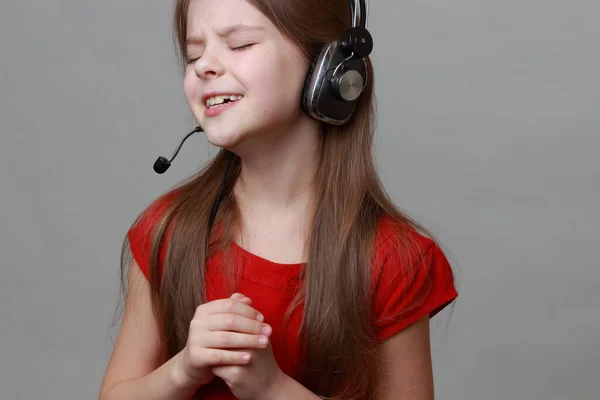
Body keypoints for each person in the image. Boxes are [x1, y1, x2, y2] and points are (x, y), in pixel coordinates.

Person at [99, 0, 458, 399]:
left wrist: (272, 389)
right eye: (193, 54)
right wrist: (182, 370)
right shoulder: (168, 230)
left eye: (239, 45)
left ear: (331, 70)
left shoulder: (393, 259)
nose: (204, 66)